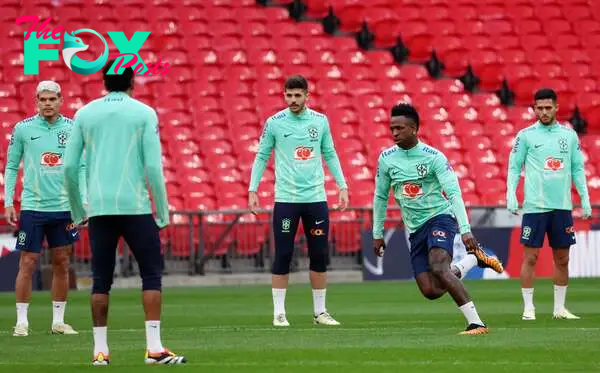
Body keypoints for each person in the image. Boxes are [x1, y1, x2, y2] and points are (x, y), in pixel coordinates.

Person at [63, 61, 186, 365]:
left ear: (103, 81)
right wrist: (163, 211)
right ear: (133, 82)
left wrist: (79, 210)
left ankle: (100, 351)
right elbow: (154, 168)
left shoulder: (84, 114)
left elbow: (68, 168)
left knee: (100, 280)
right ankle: (154, 349)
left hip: (100, 207)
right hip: (136, 206)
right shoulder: (144, 113)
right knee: (151, 276)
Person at [372, 103, 504, 335]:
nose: (394, 133)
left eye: (399, 128)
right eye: (392, 128)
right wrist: (377, 233)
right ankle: (474, 260)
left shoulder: (434, 157)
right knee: (430, 290)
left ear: (414, 129)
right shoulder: (386, 159)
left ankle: (476, 323)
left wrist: (465, 230)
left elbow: (454, 194)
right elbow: (381, 196)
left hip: (439, 218)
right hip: (414, 228)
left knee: (439, 265)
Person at [248, 75, 349, 327]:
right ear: (284, 95)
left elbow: (330, 153)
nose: (293, 100)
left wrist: (342, 185)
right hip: (286, 200)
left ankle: (320, 312)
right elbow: (261, 156)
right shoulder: (274, 123)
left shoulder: (320, 121)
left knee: (319, 254)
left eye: (297, 95)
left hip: (316, 198)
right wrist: (253, 189)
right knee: (283, 254)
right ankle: (279, 313)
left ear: (307, 95)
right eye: (289, 95)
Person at [4, 80, 85, 337]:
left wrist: (82, 202)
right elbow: (10, 166)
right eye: (43, 99)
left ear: (61, 100)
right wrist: (8, 201)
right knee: (27, 262)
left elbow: (82, 167)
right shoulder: (22, 129)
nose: (48, 103)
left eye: (52, 99)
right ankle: (22, 323)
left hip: (64, 208)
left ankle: (58, 322)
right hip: (33, 207)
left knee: (62, 262)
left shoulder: (74, 128)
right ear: (36, 101)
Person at [507, 88, 591, 321]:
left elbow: (577, 168)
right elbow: (514, 166)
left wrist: (584, 199)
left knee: (562, 258)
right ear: (534, 109)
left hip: (562, 207)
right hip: (535, 207)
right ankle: (528, 308)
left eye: (547, 107)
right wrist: (511, 195)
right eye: (539, 108)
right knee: (530, 257)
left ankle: (559, 309)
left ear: (556, 108)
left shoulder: (569, 136)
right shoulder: (525, 136)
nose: (543, 112)